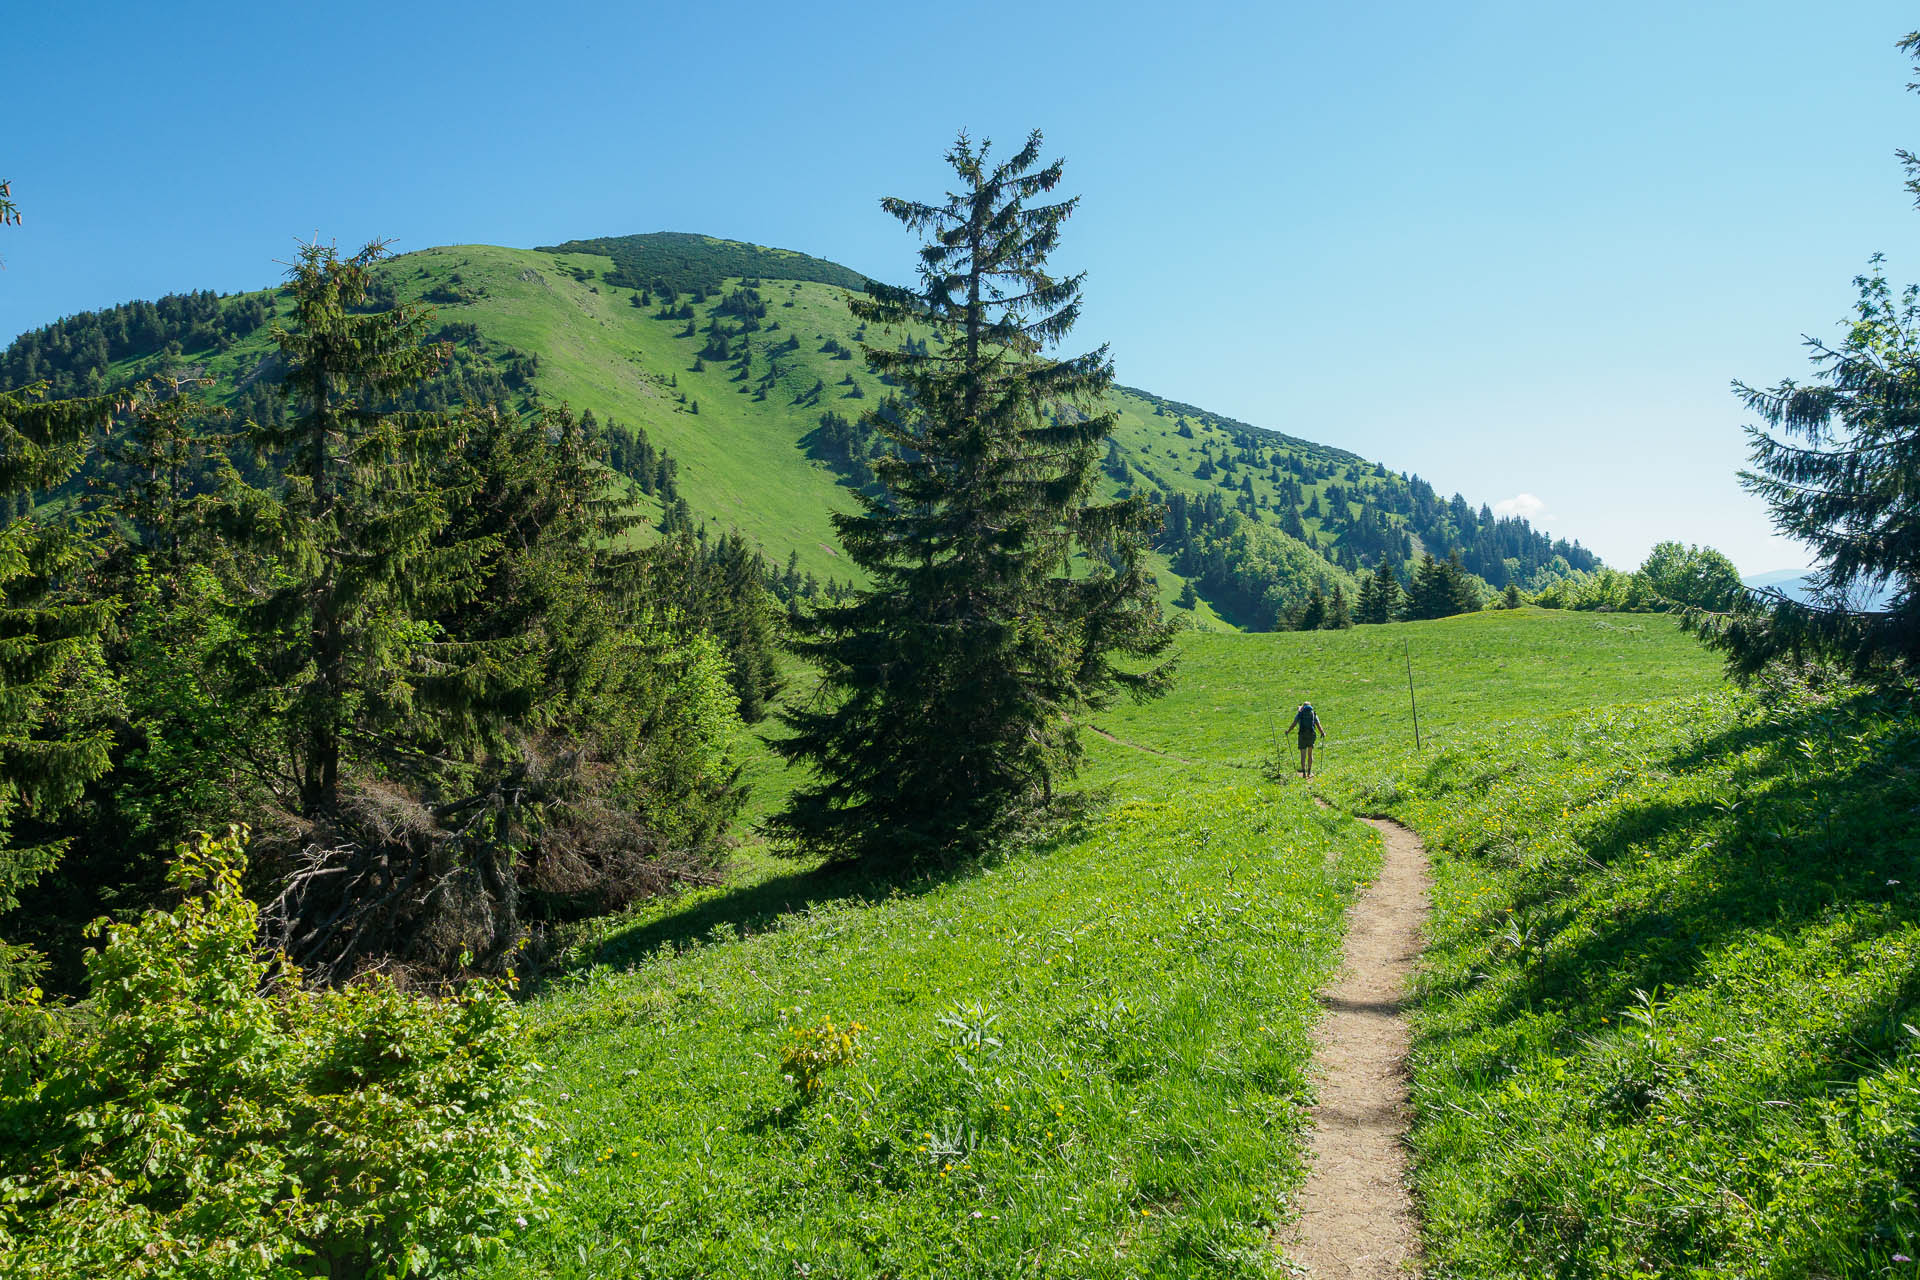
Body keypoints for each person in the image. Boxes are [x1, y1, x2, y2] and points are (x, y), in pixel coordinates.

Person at [1289, 701, 1326, 778]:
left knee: (1303, 755)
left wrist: (1288, 731)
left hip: (1302, 735)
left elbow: (1294, 724)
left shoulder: (1300, 714)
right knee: (1310, 754)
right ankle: (1309, 772)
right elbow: (1318, 725)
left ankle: (1304, 773)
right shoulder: (1313, 714)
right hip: (1311, 735)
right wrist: (1322, 733)